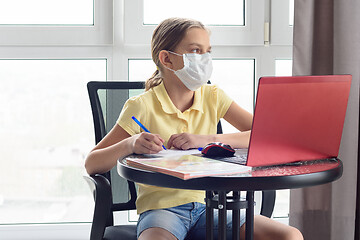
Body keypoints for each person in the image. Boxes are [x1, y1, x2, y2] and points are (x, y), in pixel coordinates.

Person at [85, 17, 303, 240]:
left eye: (207, 51)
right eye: (196, 51)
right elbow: (92, 163)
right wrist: (129, 143)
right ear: (166, 59)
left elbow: (268, 135)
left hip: (210, 208)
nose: (205, 59)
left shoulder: (213, 96)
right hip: (161, 212)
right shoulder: (140, 106)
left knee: (289, 236)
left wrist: (206, 139)